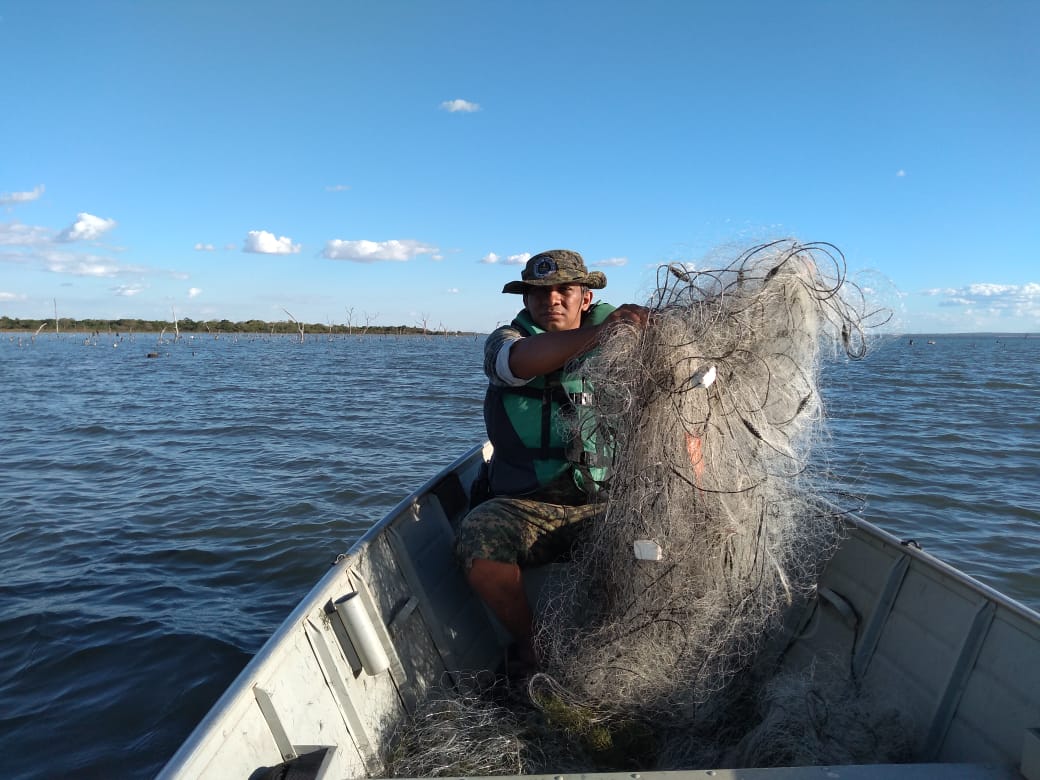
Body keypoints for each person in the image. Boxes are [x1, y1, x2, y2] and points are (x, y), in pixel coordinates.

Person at [454, 249, 649, 672]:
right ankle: (531, 647)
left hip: (607, 505)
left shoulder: (629, 348)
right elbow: (516, 363)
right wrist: (607, 333)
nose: (552, 300)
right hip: (528, 505)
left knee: (665, 534)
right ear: (525, 301)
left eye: (565, 290)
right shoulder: (504, 342)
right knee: (478, 536)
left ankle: (620, 643)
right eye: (539, 293)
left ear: (586, 299)